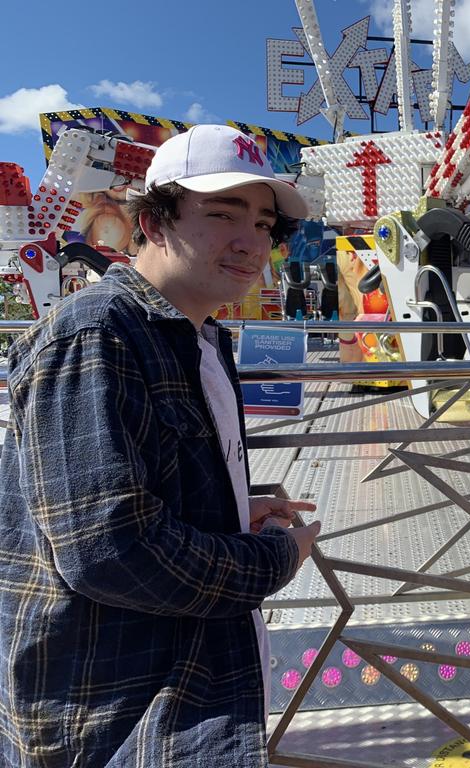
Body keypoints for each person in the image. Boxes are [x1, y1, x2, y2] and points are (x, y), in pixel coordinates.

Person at [0, 124, 322, 766]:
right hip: (113, 711)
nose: (249, 241)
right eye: (222, 214)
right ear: (152, 223)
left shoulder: (199, 337)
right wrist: (274, 559)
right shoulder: (94, 336)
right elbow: (108, 551)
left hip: (189, 678)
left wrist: (229, 514)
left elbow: (129, 495)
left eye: (263, 224)